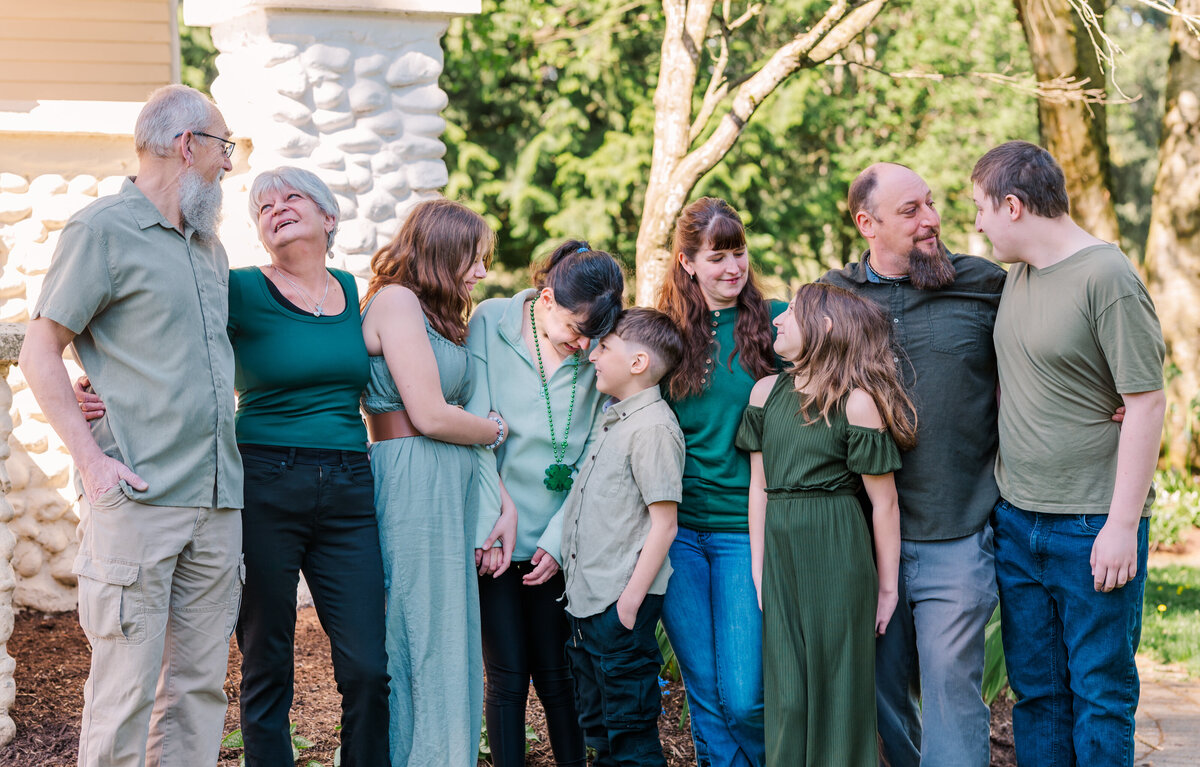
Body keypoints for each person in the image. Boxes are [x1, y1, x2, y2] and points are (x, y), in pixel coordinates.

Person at [19, 84, 244, 767]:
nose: (228, 165)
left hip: (216, 502)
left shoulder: (209, 246)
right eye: (223, 148)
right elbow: (39, 349)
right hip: (140, 500)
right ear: (188, 146)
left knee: (200, 690)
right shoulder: (101, 231)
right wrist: (91, 462)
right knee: (125, 693)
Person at [972, 140, 1166, 766]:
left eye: (979, 207)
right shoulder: (1020, 276)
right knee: (1037, 695)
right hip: (1018, 519)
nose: (975, 222)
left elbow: (1147, 403)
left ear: (1012, 205)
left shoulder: (1108, 278)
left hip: (1091, 525)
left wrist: (1120, 525)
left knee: (1099, 694)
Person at [820, 162, 1005, 767]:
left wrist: (1104, 397)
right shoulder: (833, 299)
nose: (932, 220)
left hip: (957, 528)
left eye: (930, 203)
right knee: (878, 693)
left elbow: (1056, 342)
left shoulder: (985, 285)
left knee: (952, 689)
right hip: (863, 538)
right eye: (911, 211)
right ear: (866, 224)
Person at [229, 167, 391, 766]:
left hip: (350, 486)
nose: (276, 208)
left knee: (370, 667)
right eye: (263, 206)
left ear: (328, 217)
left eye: (291, 197)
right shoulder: (240, 289)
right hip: (264, 480)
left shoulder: (354, 292)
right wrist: (100, 385)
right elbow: (171, 341)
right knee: (267, 658)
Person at [359, 198, 510, 766]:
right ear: (442, 252)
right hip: (412, 475)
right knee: (420, 632)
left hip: (448, 481)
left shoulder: (438, 313)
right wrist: (491, 429)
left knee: (452, 634)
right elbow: (428, 413)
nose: (482, 271)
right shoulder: (396, 301)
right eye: (475, 258)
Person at [737, 283, 911, 766]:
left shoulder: (856, 403)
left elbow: (885, 504)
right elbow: (759, 488)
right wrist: (758, 567)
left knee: (840, 692)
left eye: (790, 311)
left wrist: (887, 588)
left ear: (825, 326)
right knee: (788, 693)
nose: (777, 319)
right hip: (781, 550)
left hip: (838, 550)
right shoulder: (765, 392)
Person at [466, 241, 624, 767]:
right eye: (576, 331)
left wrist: (558, 541)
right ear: (548, 298)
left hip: (560, 537)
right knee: (507, 677)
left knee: (560, 678)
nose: (584, 346)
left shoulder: (598, 349)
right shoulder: (492, 321)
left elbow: (593, 456)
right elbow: (475, 426)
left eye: (593, 337)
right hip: (495, 531)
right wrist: (493, 515)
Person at [655, 197, 784, 767]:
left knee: (745, 698)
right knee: (704, 694)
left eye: (739, 253)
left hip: (743, 533)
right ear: (687, 262)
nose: (733, 267)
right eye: (717, 257)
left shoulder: (777, 326)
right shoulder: (664, 337)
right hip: (676, 533)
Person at [560, 308, 686, 767]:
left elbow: (664, 523)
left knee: (630, 739)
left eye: (605, 346)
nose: (593, 355)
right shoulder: (617, 421)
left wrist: (629, 605)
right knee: (602, 736)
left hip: (619, 608)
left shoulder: (653, 428)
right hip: (588, 605)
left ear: (637, 363)